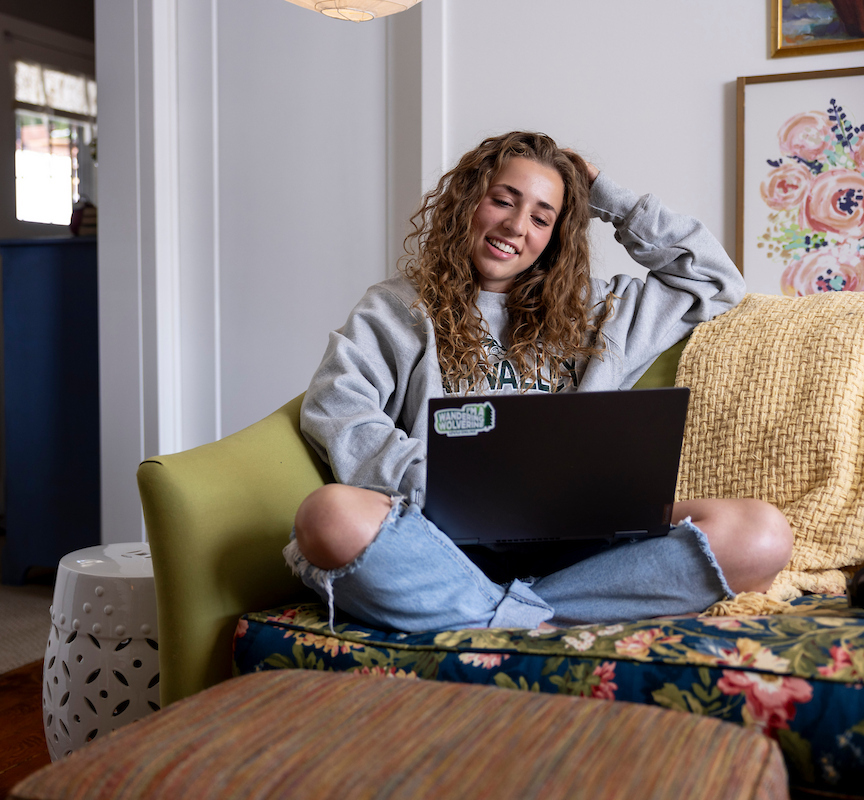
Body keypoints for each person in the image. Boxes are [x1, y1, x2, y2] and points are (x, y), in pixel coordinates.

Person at [285, 131, 793, 633]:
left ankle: (481, 611)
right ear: (467, 201)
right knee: (328, 516)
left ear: (557, 234)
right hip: (440, 540)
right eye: (503, 200)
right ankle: (546, 615)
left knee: (761, 535)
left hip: (582, 546)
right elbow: (337, 407)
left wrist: (606, 196)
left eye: (541, 217)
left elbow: (715, 280)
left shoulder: (600, 312)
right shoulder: (397, 308)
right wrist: (438, 486)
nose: (516, 225)